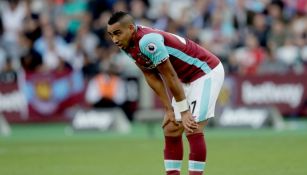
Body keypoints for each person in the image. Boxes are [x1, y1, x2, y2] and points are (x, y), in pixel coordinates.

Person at [107, 11, 224, 175]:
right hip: (184, 78)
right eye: (111, 35)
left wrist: (183, 112)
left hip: (206, 72)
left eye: (118, 33)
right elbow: (150, 74)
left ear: (131, 28)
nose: (115, 39)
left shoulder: (148, 41)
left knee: (192, 126)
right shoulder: (126, 44)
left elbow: (169, 75)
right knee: (171, 128)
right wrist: (169, 109)